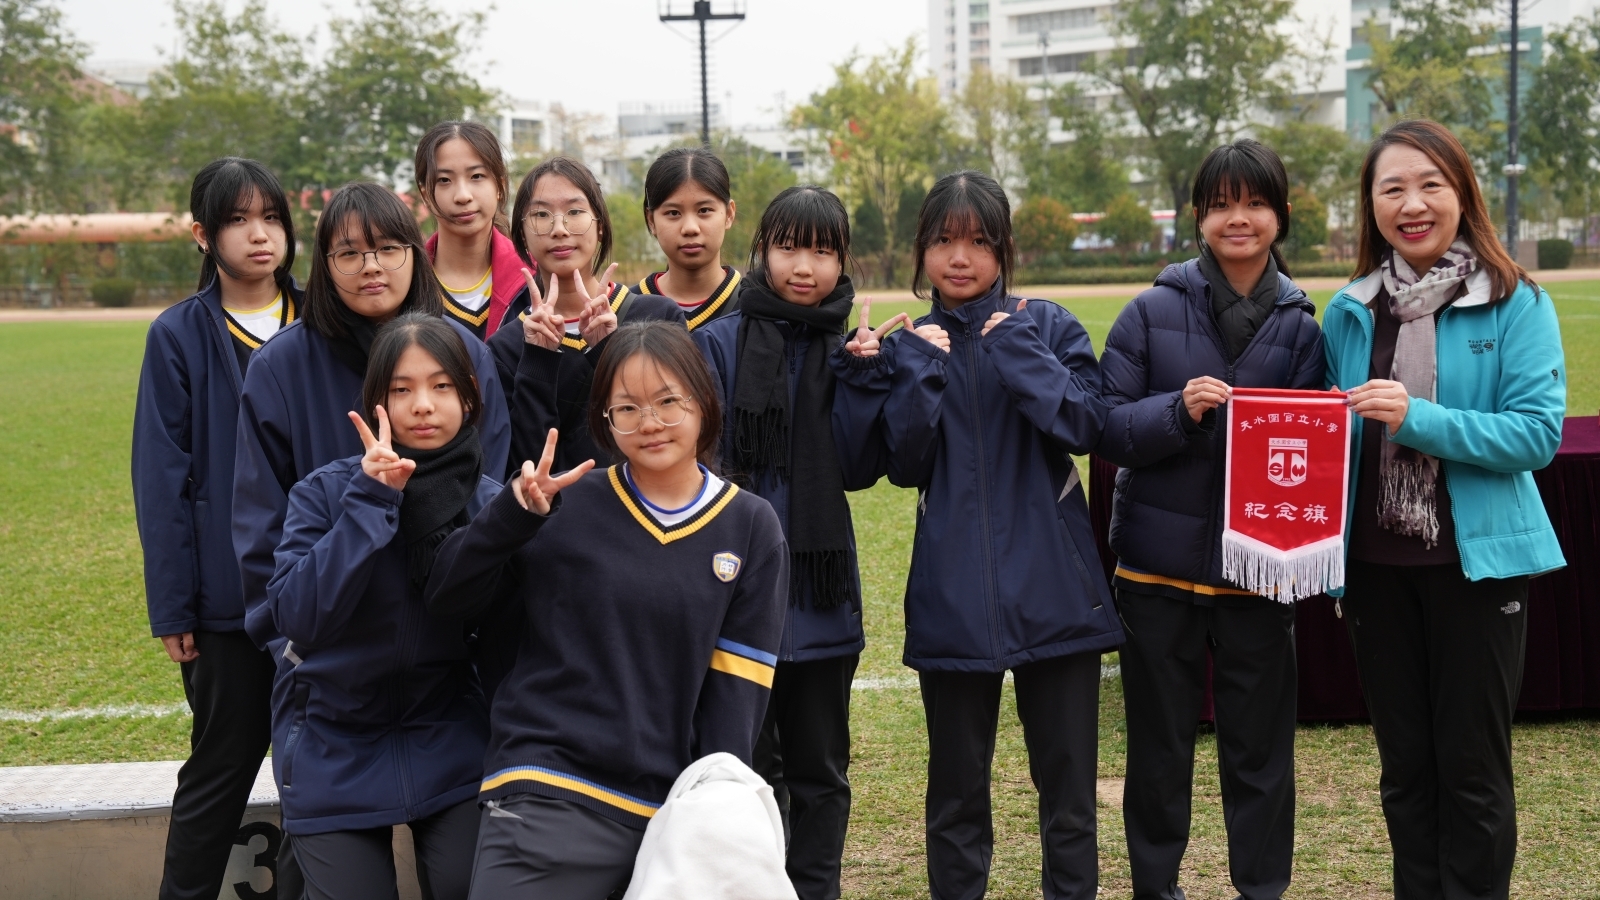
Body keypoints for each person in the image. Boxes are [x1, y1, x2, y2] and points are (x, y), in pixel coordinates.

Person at [830, 170, 1122, 900]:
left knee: (1069, 795)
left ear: (1004, 249)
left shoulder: (1046, 324)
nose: (960, 258)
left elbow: (1085, 426)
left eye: (979, 242)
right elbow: (904, 466)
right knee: (957, 794)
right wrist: (908, 372)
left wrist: (1017, 351)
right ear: (922, 249)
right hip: (952, 593)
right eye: (943, 241)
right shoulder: (909, 344)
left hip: (1056, 589)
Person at [425, 322, 788, 898]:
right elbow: (447, 596)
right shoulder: (561, 502)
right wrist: (512, 516)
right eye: (627, 408)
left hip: (669, 820)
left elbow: (736, 696)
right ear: (604, 419)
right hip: (546, 795)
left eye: (668, 401)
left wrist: (711, 813)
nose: (650, 422)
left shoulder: (750, 525)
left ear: (704, 402)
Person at [1324, 119, 1566, 900]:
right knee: (1405, 772)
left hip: (1476, 569)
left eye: (1431, 184)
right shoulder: (1349, 309)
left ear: (1463, 194)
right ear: (1371, 205)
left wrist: (1416, 418)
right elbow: (1327, 436)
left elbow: (1536, 435)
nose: (1412, 203)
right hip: (1374, 572)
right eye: (1392, 188)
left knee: (1472, 772)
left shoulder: (1516, 301)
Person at [1094, 139, 1325, 900]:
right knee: (1159, 752)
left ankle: (1262, 889)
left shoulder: (1302, 328)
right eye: (1221, 204)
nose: (1238, 218)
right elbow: (1106, 426)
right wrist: (1178, 411)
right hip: (1156, 572)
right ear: (1198, 217)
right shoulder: (1149, 311)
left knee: (1260, 755)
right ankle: (1155, 888)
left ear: (1280, 216)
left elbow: (1310, 449)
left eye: (1255, 203)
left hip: (1259, 572)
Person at [256, 314, 494, 899]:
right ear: (375, 402)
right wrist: (369, 503)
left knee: (469, 886)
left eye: (442, 386)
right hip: (332, 742)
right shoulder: (326, 492)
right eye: (402, 389)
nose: (423, 405)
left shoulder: (490, 503)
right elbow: (296, 615)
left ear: (468, 396)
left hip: (450, 738)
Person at [233, 182, 511, 660]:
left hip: (448, 642)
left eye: (388, 249)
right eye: (349, 253)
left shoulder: (466, 353)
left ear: (414, 255)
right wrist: (289, 648)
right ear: (324, 265)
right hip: (329, 646)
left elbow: (490, 486)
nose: (371, 266)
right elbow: (261, 517)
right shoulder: (279, 365)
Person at [693, 185, 878, 900]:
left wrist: (866, 379)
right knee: (747, 776)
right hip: (738, 602)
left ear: (843, 261)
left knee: (822, 775)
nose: (805, 267)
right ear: (762, 250)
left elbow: (861, 467)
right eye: (790, 247)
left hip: (823, 602)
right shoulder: (717, 344)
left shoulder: (850, 350)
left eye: (824, 252)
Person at [133, 157, 302, 900]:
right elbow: (161, 480)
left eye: (270, 218)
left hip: (322, 593)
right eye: (237, 220)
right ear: (203, 235)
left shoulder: (323, 319)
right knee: (220, 770)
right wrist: (174, 605)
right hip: (226, 605)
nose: (258, 235)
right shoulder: (178, 335)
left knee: (316, 776)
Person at [486, 156, 684, 479]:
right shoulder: (505, 348)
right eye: (541, 215)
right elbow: (523, 467)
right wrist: (537, 359)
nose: (559, 229)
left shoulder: (659, 317)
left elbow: (672, 428)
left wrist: (609, 351)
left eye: (575, 212)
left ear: (600, 225)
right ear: (521, 234)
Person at [415, 121, 527, 341]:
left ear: (500, 186)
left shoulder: (536, 277)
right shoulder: (407, 284)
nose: (463, 196)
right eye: (444, 180)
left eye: (476, 176)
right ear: (426, 194)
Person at [630, 147, 743, 329]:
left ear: (729, 214)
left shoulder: (756, 307)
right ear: (651, 220)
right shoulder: (625, 311)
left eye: (704, 210)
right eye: (673, 213)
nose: (690, 228)